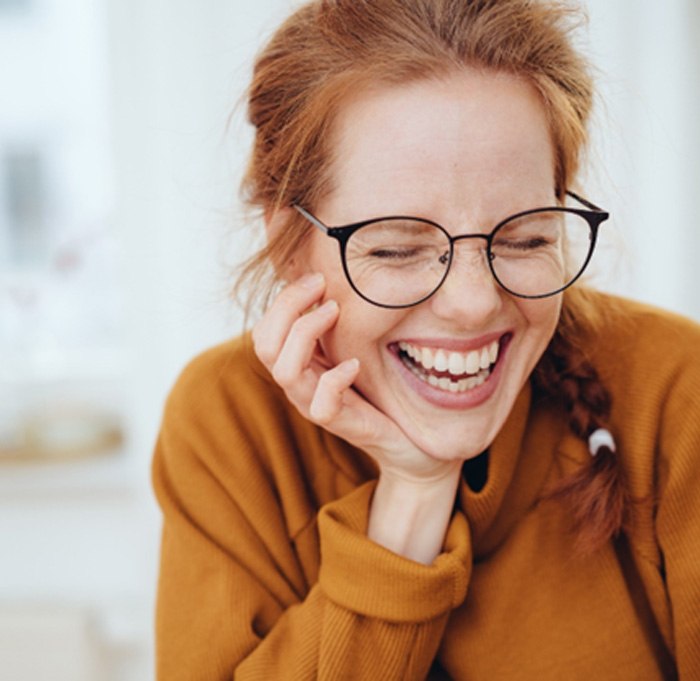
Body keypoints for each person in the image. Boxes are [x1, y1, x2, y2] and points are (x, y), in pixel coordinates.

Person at [152, 0, 700, 678]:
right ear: (289, 243)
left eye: (526, 237)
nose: (473, 303)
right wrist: (413, 493)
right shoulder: (229, 424)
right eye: (398, 250)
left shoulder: (676, 389)